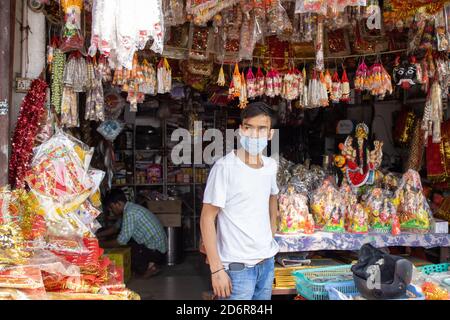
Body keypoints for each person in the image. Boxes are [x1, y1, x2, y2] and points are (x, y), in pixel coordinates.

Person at [200, 102, 280, 300]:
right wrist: (216, 270)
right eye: (248, 127)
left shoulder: (270, 165)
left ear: (270, 134)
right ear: (241, 131)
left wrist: (270, 233)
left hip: (266, 264)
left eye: (261, 129)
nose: (254, 134)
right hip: (237, 270)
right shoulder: (224, 167)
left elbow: (272, 199)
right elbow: (206, 219)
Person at [98, 189, 168, 278]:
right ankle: (151, 264)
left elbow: (121, 241)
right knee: (124, 241)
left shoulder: (130, 213)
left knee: (128, 250)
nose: (111, 211)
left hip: (156, 251)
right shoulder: (129, 209)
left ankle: (149, 267)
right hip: (157, 248)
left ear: (118, 203)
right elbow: (115, 228)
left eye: (111, 207)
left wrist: (99, 245)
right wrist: (97, 236)